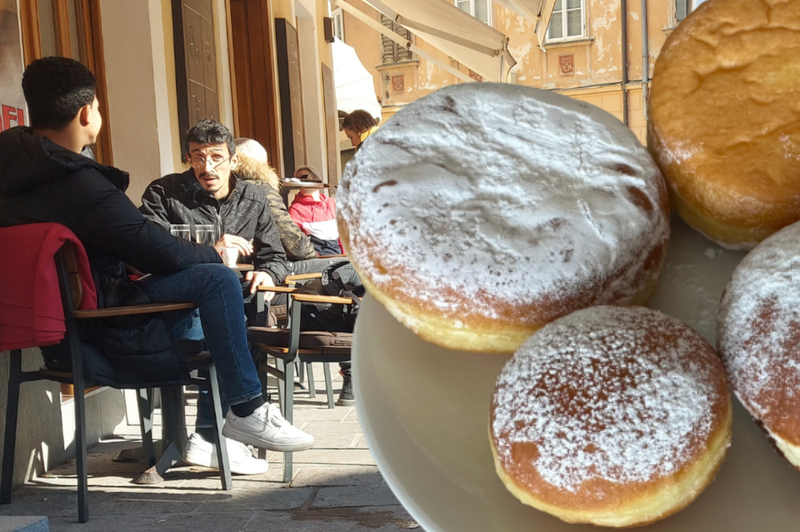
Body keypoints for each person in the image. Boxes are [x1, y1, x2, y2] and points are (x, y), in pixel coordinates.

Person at [0, 56, 313, 477]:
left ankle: (208, 435)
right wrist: (215, 254)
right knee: (220, 285)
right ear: (87, 112)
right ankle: (243, 411)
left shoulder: (13, 168)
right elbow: (150, 247)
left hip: (45, 325)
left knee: (222, 308)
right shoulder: (77, 182)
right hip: (105, 323)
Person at [287, 166, 343, 256]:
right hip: (318, 258)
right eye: (296, 180)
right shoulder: (296, 209)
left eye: (304, 177)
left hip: (339, 256)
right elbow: (294, 239)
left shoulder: (332, 203)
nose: (299, 182)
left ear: (317, 179)